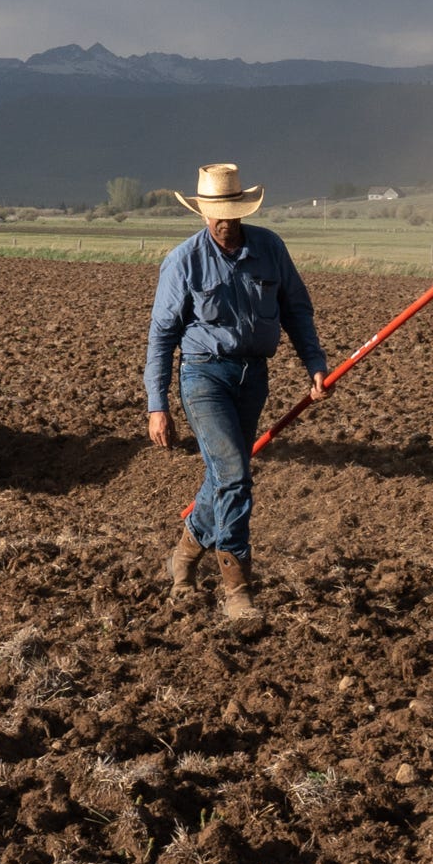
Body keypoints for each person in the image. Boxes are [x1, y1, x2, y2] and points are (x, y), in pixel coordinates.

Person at [140, 162, 327, 623]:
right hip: (204, 376)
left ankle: (183, 556)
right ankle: (237, 589)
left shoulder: (270, 248)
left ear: (243, 210)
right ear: (203, 212)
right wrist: (157, 405)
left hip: (253, 378)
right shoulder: (183, 260)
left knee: (226, 475)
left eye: (231, 211)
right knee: (235, 477)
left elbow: (296, 310)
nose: (224, 220)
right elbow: (162, 336)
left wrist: (315, 364)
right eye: (215, 212)